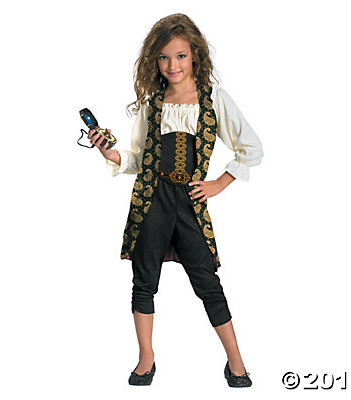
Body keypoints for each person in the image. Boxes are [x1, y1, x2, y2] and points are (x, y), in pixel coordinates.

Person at [87, 13, 263, 387]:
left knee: (207, 282)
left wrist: (218, 184)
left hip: (189, 203)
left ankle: (236, 362)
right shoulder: (153, 104)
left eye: (181, 56)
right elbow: (139, 158)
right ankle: (146, 358)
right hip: (150, 199)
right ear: (155, 60)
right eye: (164, 57)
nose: (173, 65)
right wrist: (109, 153)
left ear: (195, 55)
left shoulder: (213, 100)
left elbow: (251, 147)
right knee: (143, 280)